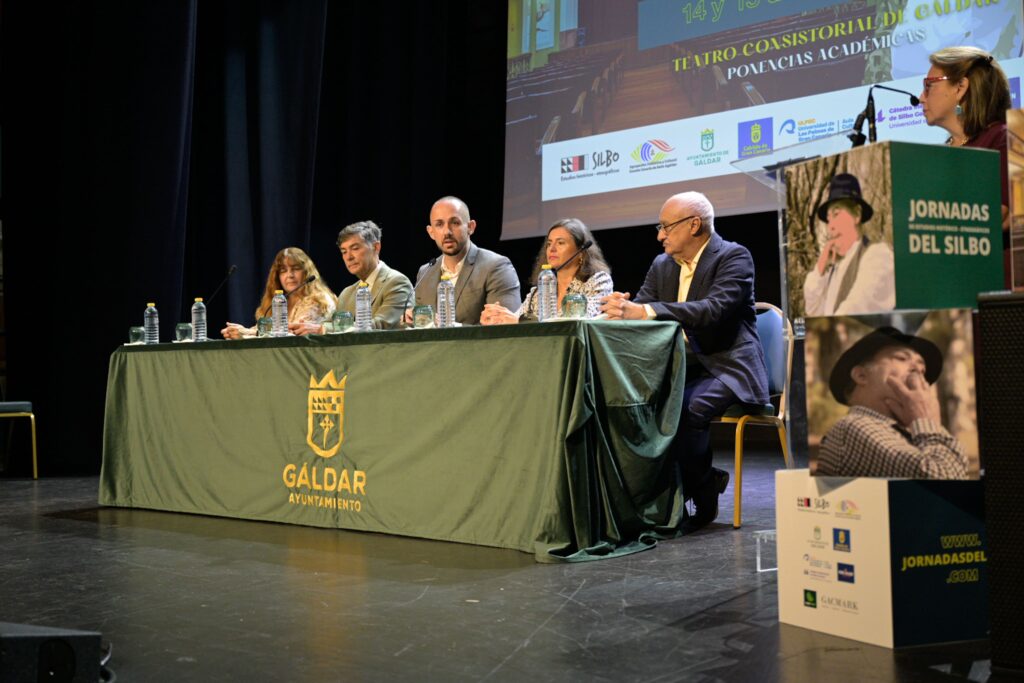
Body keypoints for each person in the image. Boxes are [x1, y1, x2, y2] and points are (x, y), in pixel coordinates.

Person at [600, 191, 769, 531]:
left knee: (687, 408)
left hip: (728, 365)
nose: (660, 235)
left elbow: (713, 310)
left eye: (666, 227)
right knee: (639, 405)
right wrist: (620, 311)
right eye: (659, 227)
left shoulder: (734, 256)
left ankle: (703, 494)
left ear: (694, 225)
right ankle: (660, 500)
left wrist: (646, 311)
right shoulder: (662, 265)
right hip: (681, 366)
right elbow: (642, 308)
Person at [816, 326, 968, 479]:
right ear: (861, 375)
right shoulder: (855, 426)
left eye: (923, 369)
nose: (918, 370)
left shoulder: (911, 431)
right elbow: (947, 482)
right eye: (902, 358)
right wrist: (927, 422)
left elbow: (960, 470)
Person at [921, 46, 1012, 283]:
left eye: (929, 85)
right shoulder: (941, 157)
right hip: (950, 286)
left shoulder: (1004, 138)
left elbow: (999, 217)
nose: (921, 97)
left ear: (961, 87)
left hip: (997, 289)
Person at [407, 196, 521, 325]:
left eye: (455, 223)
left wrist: (451, 327)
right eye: (439, 224)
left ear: (470, 227)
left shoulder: (496, 267)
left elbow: (503, 329)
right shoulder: (425, 272)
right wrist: (413, 320)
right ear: (431, 232)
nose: (447, 232)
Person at [480, 218, 612, 324]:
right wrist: (498, 317)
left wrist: (519, 322)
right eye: (549, 244)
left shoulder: (598, 281)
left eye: (560, 243)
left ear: (581, 252)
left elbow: (579, 321)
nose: (552, 249)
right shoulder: (539, 291)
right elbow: (517, 319)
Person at [292, 220, 412, 333]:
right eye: (344, 252)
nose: (348, 257)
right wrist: (304, 326)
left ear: (376, 247)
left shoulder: (397, 282)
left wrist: (321, 329)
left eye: (355, 248)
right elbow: (330, 324)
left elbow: (380, 325)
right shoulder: (347, 293)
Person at [802, 173, 895, 317]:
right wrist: (820, 267)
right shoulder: (835, 269)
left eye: (836, 214)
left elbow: (856, 310)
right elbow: (813, 311)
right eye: (828, 219)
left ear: (857, 214)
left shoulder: (877, 256)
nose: (830, 226)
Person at [221, 247, 336, 339]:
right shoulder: (278, 300)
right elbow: (262, 330)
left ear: (306, 272)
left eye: (295, 268)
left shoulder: (319, 300)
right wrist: (237, 332)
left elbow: (292, 336)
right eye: (283, 271)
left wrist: (246, 333)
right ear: (277, 277)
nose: (289, 275)